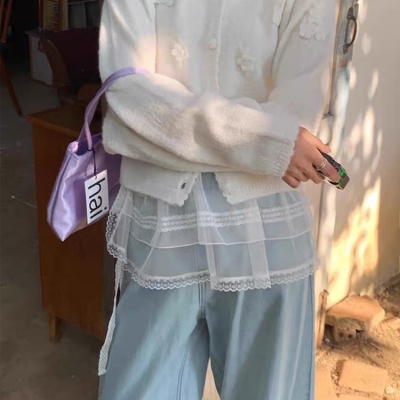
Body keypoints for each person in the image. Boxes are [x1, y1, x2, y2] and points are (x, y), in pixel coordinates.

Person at [98, 0, 339, 399]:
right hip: (162, 232)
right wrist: (270, 143)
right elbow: (127, 99)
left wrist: (162, 134)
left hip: (266, 235)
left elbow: (300, 115)